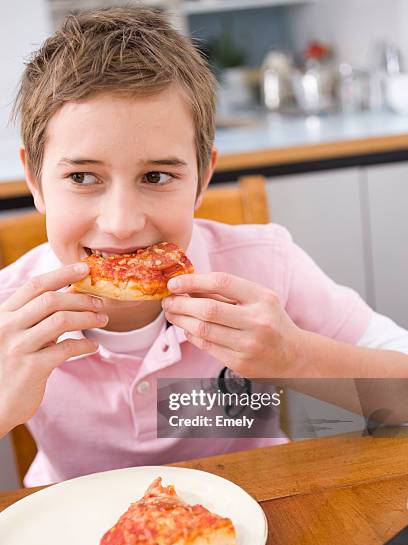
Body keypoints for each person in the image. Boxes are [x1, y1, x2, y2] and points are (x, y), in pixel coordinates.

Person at [1, 7, 407, 487]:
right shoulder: (9, 309)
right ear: (35, 180)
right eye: (82, 177)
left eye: (156, 176)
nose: (123, 223)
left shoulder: (264, 266)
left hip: (258, 509)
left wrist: (296, 358)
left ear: (202, 177)